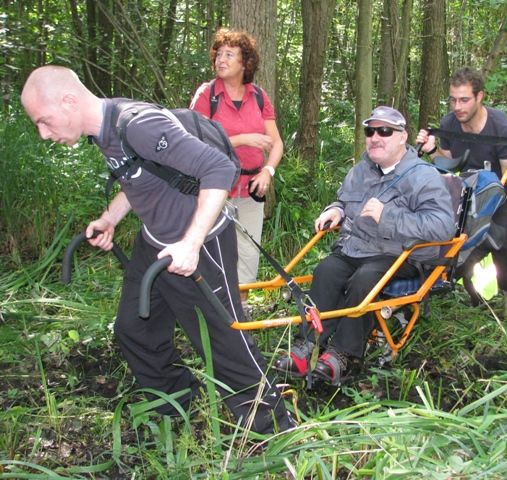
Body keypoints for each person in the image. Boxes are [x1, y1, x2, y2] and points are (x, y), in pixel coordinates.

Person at [21, 65, 294, 434]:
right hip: (155, 244)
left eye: (44, 121)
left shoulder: (138, 125)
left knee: (224, 343)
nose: (43, 133)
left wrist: (191, 243)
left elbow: (218, 168)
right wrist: (109, 218)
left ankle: (277, 429)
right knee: (135, 329)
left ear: (68, 101)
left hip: (200, 244)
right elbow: (139, 179)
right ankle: (178, 404)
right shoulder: (106, 128)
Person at [274, 106, 456, 385]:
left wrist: (388, 216)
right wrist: (336, 210)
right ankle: (307, 346)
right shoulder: (361, 171)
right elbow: (345, 201)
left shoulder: (423, 176)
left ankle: (344, 355)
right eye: (370, 131)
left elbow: (442, 226)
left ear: (402, 137)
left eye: (385, 131)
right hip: (356, 247)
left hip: (399, 254)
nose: (375, 137)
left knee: (365, 280)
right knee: (327, 271)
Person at [415, 67, 507, 319]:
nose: (457, 106)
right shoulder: (449, 123)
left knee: (503, 241)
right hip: (469, 195)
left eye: (464, 99)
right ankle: (474, 294)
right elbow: (449, 163)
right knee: (459, 248)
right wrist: (432, 149)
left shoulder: (500, 125)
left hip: (504, 194)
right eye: (453, 99)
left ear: (480, 97)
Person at [190, 28, 283, 317]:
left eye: (230, 54)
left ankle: (239, 312)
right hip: (217, 188)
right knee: (216, 249)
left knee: (248, 251)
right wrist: (243, 140)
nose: (221, 59)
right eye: (218, 54)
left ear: (245, 63)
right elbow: (193, 141)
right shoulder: (207, 94)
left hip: (253, 187)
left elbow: (276, 142)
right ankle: (213, 308)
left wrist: (268, 170)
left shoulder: (258, 96)